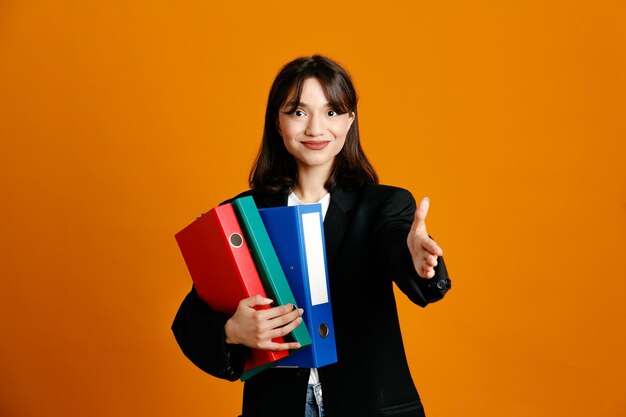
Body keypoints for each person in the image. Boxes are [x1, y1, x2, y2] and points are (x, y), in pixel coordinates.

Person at [172, 55, 452, 417]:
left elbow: (397, 245)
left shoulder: (383, 205)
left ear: (350, 120)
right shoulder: (242, 215)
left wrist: (416, 258)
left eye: (332, 112)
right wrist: (231, 330)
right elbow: (190, 320)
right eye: (298, 112)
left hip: (368, 405)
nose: (316, 129)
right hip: (276, 407)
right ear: (277, 120)